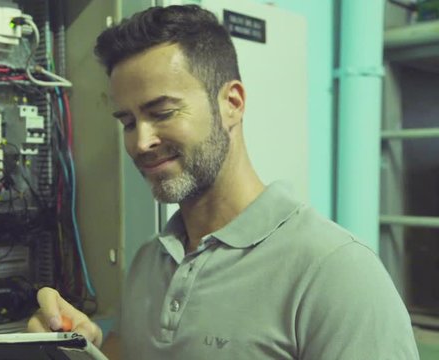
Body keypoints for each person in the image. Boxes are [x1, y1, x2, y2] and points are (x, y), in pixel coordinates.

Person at [28, 5, 419, 359]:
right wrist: (87, 347)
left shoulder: (336, 273)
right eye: (128, 122)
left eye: (162, 112)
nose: (141, 141)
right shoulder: (151, 261)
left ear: (232, 103)